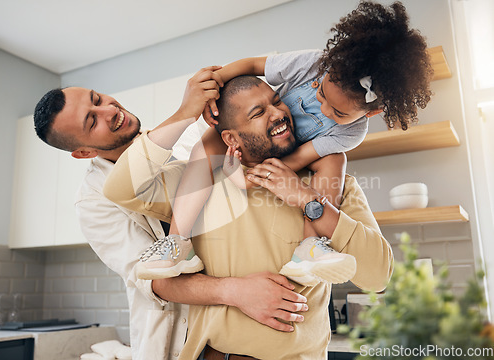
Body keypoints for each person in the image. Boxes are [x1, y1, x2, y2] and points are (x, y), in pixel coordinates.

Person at [137, 0, 432, 287]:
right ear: (328, 67)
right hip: (254, 154)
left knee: (335, 160)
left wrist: (252, 180)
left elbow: (301, 157)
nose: (325, 110)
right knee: (204, 146)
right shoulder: (311, 63)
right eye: (321, 93)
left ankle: (310, 246)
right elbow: (253, 64)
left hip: (293, 158)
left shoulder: (352, 134)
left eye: (339, 113)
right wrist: (216, 80)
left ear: (372, 111)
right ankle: (177, 241)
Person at [103, 75, 394, 360]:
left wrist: (307, 200)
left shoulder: (330, 184)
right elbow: (121, 187)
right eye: (258, 113)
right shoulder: (202, 185)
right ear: (230, 137)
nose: (279, 113)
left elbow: (378, 276)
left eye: (277, 101)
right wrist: (185, 114)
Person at [32, 67, 310, 360]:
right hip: (185, 341)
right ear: (85, 153)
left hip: (253, 328)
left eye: (97, 98)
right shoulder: (93, 200)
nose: (109, 110)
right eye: (92, 121)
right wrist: (237, 291)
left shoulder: (190, 138)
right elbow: (155, 281)